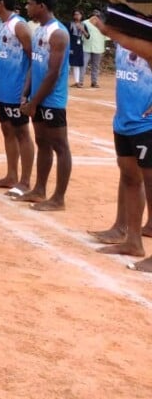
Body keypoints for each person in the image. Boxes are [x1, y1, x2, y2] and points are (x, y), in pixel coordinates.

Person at [85, 15, 152, 271]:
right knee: (129, 177)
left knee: (149, 182)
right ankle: (132, 240)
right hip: (124, 120)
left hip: (147, 124)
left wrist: (105, 25)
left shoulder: (146, 41)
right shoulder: (125, 41)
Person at [18, 0, 72, 211]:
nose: (27, 6)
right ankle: (39, 189)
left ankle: (58, 198)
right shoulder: (39, 30)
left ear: (41, 5)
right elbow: (35, 65)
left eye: (30, 3)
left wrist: (35, 101)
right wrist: (26, 93)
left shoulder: (58, 33)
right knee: (42, 143)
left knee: (60, 146)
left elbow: (53, 73)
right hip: (37, 98)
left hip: (52, 100)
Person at [0, 0, 35, 196]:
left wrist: (26, 90)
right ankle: (11, 175)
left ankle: (25, 181)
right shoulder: (0, 25)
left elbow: (35, 58)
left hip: (16, 90)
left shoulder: (19, 26)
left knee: (22, 132)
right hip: (2, 89)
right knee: (7, 130)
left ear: (1, 3)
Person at [82, 10, 109, 88]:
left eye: (97, 15)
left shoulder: (103, 24)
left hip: (98, 47)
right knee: (83, 64)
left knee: (96, 66)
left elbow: (106, 37)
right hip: (86, 47)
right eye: (94, 15)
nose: (96, 16)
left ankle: (94, 82)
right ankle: (80, 82)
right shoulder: (85, 23)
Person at [68, 10, 85, 88]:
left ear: (81, 16)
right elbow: (67, 34)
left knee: (77, 64)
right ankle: (64, 81)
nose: (77, 16)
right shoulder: (70, 24)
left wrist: (83, 30)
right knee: (68, 64)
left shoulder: (83, 25)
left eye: (78, 14)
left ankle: (77, 82)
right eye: (75, 14)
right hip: (71, 44)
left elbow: (88, 36)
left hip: (79, 46)